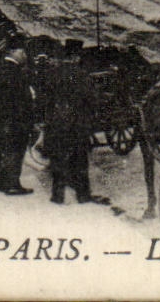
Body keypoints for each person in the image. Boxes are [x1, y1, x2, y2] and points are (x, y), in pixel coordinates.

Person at [42, 41, 101, 204]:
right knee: (80, 159)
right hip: (77, 124)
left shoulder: (52, 73)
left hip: (57, 123)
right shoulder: (82, 75)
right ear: (76, 57)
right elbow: (92, 98)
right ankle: (82, 195)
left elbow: (45, 97)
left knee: (58, 159)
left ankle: (57, 195)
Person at [0, 48, 36, 195]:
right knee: (14, 152)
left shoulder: (4, 68)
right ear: (13, 53)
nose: (25, 55)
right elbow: (18, 99)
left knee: (5, 151)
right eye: (22, 52)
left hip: (6, 120)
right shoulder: (13, 72)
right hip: (15, 120)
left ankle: (3, 183)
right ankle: (11, 185)